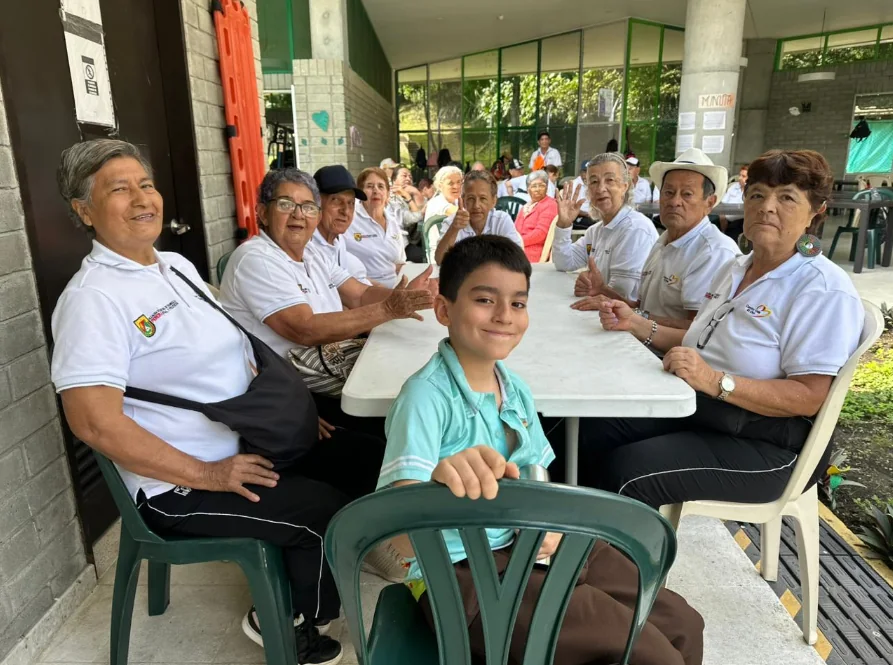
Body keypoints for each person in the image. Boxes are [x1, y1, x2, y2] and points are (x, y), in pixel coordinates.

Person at [51, 139, 361, 664]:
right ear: (84, 211)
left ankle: (316, 579)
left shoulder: (173, 265)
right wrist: (208, 473)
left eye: (145, 184)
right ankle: (290, 622)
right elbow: (95, 424)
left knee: (366, 458)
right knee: (322, 513)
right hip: (180, 481)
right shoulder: (92, 299)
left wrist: (293, 416)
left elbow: (237, 350)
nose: (142, 199)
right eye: (119, 190)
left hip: (247, 437)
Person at [377, 235, 704, 665]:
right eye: (484, 299)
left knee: (683, 624)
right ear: (444, 309)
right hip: (466, 578)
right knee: (649, 654)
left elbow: (537, 478)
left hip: (535, 547)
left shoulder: (515, 391)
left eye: (517, 303)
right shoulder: (425, 398)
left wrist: (551, 525)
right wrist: (437, 484)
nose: (503, 316)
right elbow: (396, 540)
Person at [564, 150, 864, 511]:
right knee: (582, 430)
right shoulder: (739, 267)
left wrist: (716, 381)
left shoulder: (820, 286)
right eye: (756, 195)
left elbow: (810, 394)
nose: (767, 207)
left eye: (786, 197)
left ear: (816, 212)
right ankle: (550, 540)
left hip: (771, 446)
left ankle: (595, 564)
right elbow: (696, 339)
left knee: (628, 471)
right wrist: (636, 323)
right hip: (708, 411)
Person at [218, 168, 436, 432]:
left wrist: (407, 297)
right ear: (263, 212)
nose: (299, 214)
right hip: (296, 393)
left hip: (327, 371)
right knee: (407, 415)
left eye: (308, 207)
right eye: (287, 204)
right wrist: (390, 309)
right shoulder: (256, 258)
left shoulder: (312, 253)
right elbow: (304, 329)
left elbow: (360, 294)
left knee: (421, 390)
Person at [571, 149, 740, 330]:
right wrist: (603, 290)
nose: (674, 201)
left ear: (709, 202)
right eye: (668, 192)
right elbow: (642, 309)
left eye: (687, 194)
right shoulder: (663, 243)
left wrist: (636, 317)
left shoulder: (713, 251)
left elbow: (698, 330)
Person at [552, 153, 658, 302]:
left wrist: (591, 285)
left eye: (610, 180)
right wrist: (564, 224)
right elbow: (564, 262)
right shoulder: (595, 231)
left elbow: (622, 293)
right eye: (594, 182)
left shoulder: (635, 229)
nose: (601, 188)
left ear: (624, 186)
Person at [434, 170, 523, 264]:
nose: (476, 205)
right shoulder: (453, 222)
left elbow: (517, 257)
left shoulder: (501, 220)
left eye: (483, 198)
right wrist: (454, 229)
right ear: (463, 201)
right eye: (471, 198)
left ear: (494, 201)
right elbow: (440, 260)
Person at [344, 167, 408, 287]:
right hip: (363, 288)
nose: (375, 191)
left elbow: (399, 263)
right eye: (369, 186)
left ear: (388, 193)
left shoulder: (392, 222)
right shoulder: (349, 218)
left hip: (394, 286)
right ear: (360, 193)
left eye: (381, 186)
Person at [310, 165, 371, 284]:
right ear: (315, 202)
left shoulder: (338, 240)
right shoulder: (306, 247)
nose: (346, 211)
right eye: (336, 201)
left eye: (351, 203)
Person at [514, 170, 559, 262]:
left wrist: (518, 242)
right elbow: (515, 229)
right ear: (528, 190)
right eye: (534, 186)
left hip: (533, 252)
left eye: (541, 185)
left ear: (547, 188)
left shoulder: (550, 204)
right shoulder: (526, 207)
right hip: (518, 248)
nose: (538, 189)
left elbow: (540, 234)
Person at [388, 165, 426, 263]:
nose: (408, 178)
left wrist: (416, 193)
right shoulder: (391, 197)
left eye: (410, 177)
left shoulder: (411, 194)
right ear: (394, 179)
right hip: (399, 243)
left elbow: (423, 212)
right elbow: (415, 217)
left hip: (415, 238)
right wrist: (409, 196)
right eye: (404, 176)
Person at [720, 164, 748, 241]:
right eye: (740, 175)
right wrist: (722, 217)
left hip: (741, 221)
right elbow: (723, 203)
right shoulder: (733, 187)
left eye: (743, 176)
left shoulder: (751, 191)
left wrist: (746, 187)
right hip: (725, 219)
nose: (740, 178)